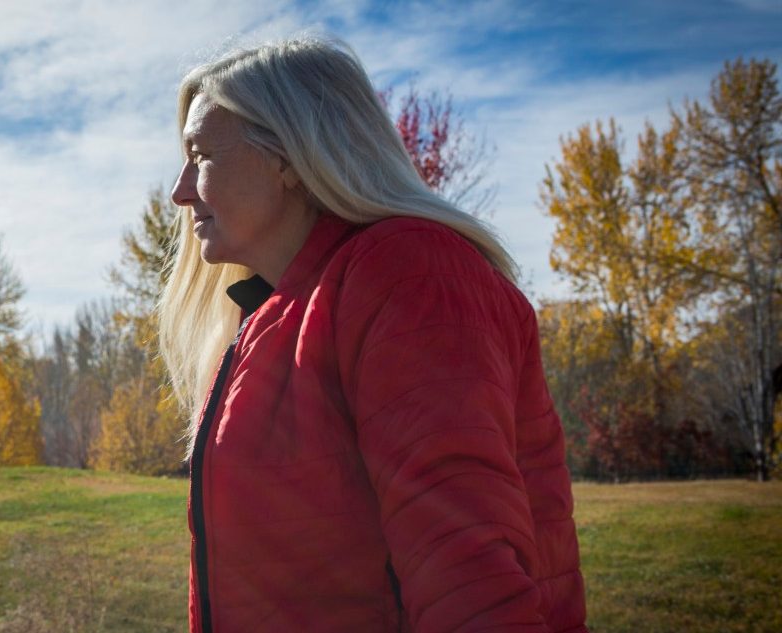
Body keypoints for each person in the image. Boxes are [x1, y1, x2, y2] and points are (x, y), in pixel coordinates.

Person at [158, 37, 588, 632]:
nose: (180, 191)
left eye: (201, 156)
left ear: (287, 157)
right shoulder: (268, 316)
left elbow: (469, 576)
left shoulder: (410, 275)